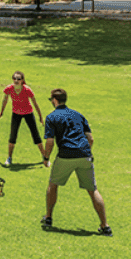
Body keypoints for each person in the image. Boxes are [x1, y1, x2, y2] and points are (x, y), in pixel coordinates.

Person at [40, 88, 111, 237]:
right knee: (93, 190)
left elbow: (50, 141)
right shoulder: (78, 115)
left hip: (66, 155)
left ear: (54, 100)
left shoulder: (52, 117)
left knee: (53, 185)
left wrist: (46, 158)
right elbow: (90, 139)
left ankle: (48, 218)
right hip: (85, 154)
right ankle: (105, 227)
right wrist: (85, 153)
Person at [0, 71, 47, 167]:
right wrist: (1, 112)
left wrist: (40, 117)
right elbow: (5, 100)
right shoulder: (9, 89)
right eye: (14, 78)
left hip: (28, 114)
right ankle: (9, 158)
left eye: (18, 79)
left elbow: (35, 103)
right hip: (16, 114)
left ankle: (45, 157)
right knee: (12, 136)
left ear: (22, 80)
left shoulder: (27, 90)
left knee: (36, 135)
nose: (16, 80)